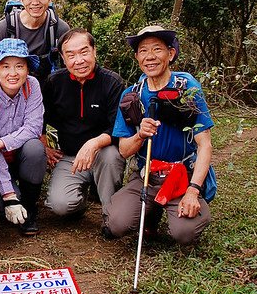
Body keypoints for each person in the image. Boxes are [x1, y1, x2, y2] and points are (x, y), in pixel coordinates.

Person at [103, 25, 214, 246]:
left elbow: (205, 144)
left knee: (185, 233)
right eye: (143, 51)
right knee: (116, 223)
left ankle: (183, 205)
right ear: (136, 57)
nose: (150, 57)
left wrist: (193, 190)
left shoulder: (187, 88)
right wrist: (140, 135)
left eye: (157, 49)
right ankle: (150, 213)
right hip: (146, 175)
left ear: (170, 53)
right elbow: (124, 151)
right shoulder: (131, 95)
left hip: (181, 176)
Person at [41, 28, 126, 221]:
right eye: (71, 55)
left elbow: (118, 127)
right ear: (63, 58)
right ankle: (81, 199)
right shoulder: (55, 83)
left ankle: (110, 214)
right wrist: (44, 144)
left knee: (111, 156)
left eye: (84, 52)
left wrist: (93, 144)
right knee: (60, 206)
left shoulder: (112, 83)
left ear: (94, 51)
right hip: (71, 156)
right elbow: (40, 118)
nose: (78, 60)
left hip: (103, 155)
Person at [0, 38, 46, 236]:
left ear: (28, 69)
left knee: (35, 148)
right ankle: (14, 196)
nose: (13, 73)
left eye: (19, 66)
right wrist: (9, 196)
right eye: (5, 66)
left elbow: (34, 127)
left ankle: (30, 207)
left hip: (21, 154)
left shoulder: (32, 86)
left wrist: (0, 143)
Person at [0, 0, 71, 87]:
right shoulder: (6, 27)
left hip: (48, 88)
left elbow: (69, 67)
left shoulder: (59, 28)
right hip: (14, 88)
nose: (35, 2)